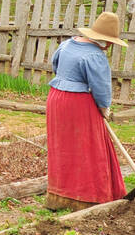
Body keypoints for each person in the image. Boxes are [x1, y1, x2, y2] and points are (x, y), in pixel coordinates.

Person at [45, 11, 128, 211]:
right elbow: (101, 89)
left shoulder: (67, 44)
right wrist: (104, 109)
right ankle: (87, 197)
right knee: (88, 148)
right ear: (106, 41)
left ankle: (60, 196)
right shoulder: (95, 55)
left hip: (56, 98)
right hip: (77, 103)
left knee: (63, 146)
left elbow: (56, 67)